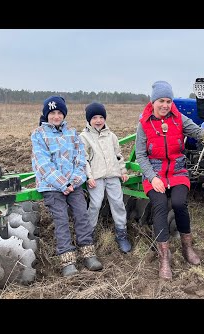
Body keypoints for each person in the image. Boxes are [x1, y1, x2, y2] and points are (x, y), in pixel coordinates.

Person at [135, 80, 204, 280]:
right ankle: (164, 259)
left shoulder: (179, 119)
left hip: (177, 172)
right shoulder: (144, 123)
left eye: (168, 101)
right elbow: (140, 155)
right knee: (159, 205)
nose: (165, 105)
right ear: (153, 102)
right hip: (155, 173)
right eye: (161, 101)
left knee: (179, 203)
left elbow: (199, 134)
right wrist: (152, 177)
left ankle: (187, 248)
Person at [31, 95, 103, 277]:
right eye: (52, 113)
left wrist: (74, 181)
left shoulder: (72, 133)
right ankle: (67, 260)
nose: (56, 116)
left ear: (64, 114)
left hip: (74, 185)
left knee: (82, 215)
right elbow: (42, 164)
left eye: (59, 113)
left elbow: (80, 160)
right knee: (61, 220)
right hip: (52, 186)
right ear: (46, 114)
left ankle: (88, 254)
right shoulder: (39, 134)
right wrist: (63, 184)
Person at [79, 101, 132, 254]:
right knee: (95, 204)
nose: (98, 120)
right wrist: (88, 176)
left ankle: (121, 234)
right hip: (96, 177)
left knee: (118, 203)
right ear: (89, 120)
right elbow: (84, 159)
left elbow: (118, 155)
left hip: (113, 175)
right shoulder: (84, 137)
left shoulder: (112, 136)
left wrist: (122, 171)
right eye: (94, 117)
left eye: (101, 117)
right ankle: (89, 235)